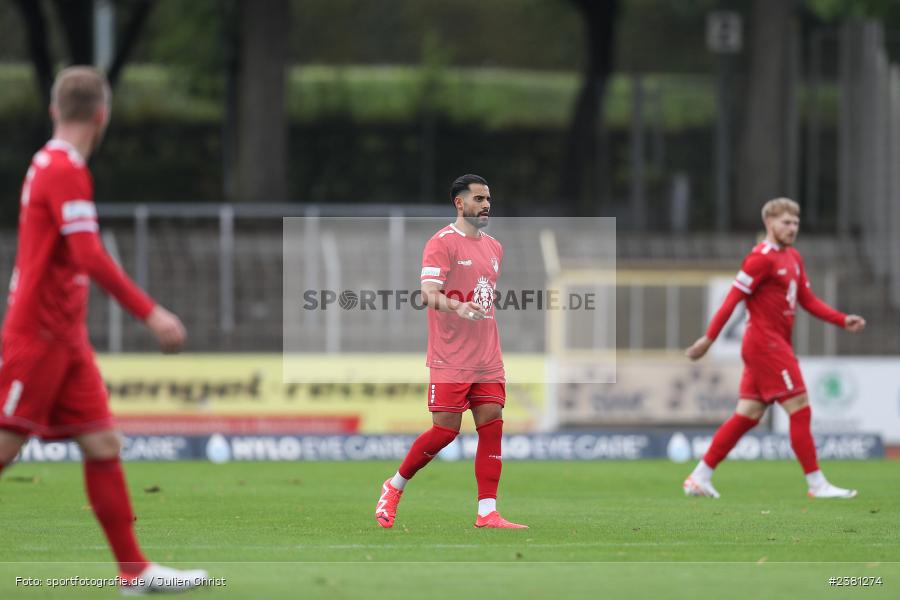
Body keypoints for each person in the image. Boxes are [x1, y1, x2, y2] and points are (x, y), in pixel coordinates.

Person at [0, 66, 208, 594]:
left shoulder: (47, 162)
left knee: (101, 442)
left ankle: (134, 572)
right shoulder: (63, 168)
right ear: (102, 115)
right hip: (37, 338)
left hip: (65, 339)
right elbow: (87, 253)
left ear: (54, 110)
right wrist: (150, 312)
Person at [683, 198, 866, 499]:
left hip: (773, 344)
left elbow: (808, 300)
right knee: (800, 406)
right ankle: (817, 484)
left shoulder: (793, 257)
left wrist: (842, 319)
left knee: (748, 414)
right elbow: (731, 300)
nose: (792, 228)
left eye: (796, 222)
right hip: (765, 344)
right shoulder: (760, 258)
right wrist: (708, 339)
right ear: (769, 223)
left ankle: (700, 476)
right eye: (786, 222)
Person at [374, 174, 527, 529]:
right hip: (450, 357)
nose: (486, 205)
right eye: (478, 199)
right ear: (460, 203)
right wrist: (458, 308)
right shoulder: (442, 243)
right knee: (445, 431)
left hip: (487, 357)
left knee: (492, 426)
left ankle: (487, 511)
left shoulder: (494, 247)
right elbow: (427, 293)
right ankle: (394, 486)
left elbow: (484, 296)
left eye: (488, 199)